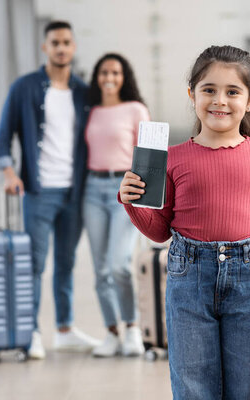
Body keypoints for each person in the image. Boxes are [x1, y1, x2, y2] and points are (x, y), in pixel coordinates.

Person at [118, 45, 250, 399]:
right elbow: (159, 230)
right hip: (189, 277)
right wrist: (132, 203)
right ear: (192, 95)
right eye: (209, 90)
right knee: (193, 382)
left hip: (249, 278)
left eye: (232, 91)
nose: (220, 100)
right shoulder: (173, 158)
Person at [0, 21, 100, 360]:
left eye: (67, 42)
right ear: (45, 47)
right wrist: (10, 174)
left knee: (66, 263)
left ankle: (65, 329)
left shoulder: (84, 93)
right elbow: (2, 136)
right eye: (55, 42)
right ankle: (31, 332)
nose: (61, 48)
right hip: (38, 192)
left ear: (73, 47)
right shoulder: (24, 87)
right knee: (35, 264)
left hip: (74, 192)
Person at [83, 53, 150, 357]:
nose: (109, 77)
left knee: (118, 263)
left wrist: (148, 198)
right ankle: (111, 332)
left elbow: (148, 155)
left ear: (124, 77)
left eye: (115, 72)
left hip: (125, 190)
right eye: (104, 72)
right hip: (92, 189)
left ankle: (132, 326)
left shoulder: (136, 109)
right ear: (97, 76)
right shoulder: (92, 111)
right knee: (100, 269)